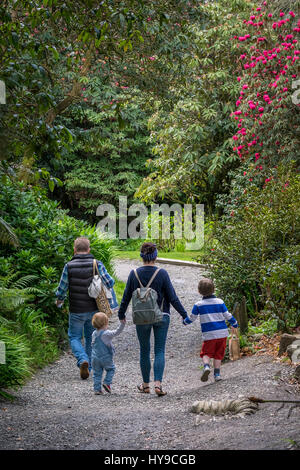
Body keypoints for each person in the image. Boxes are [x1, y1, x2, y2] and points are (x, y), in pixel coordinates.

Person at [118, 242, 189, 396]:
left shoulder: (134, 274)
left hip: (142, 317)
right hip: (162, 316)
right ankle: (158, 384)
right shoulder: (162, 273)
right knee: (159, 350)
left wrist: (121, 314)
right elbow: (173, 297)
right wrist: (184, 314)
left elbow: (126, 297)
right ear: (155, 256)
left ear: (141, 256)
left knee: (144, 350)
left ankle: (145, 385)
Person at [55, 237, 117, 380]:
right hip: (94, 309)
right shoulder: (97, 264)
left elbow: (62, 289)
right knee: (90, 338)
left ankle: (83, 359)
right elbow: (110, 282)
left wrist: (59, 301)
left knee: (74, 336)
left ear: (74, 250)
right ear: (89, 250)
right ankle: (87, 367)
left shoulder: (68, 266)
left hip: (76, 309)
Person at [183, 277, 238, 382]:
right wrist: (234, 323)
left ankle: (206, 366)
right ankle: (217, 375)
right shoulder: (220, 302)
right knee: (218, 354)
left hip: (209, 335)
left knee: (206, 353)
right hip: (222, 333)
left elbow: (192, 318)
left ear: (199, 291)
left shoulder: (198, 305)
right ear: (214, 289)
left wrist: (185, 322)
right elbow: (227, 315)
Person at [91, 312, 125, 395]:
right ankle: (107, 382)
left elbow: (92, 344)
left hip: (95, 357)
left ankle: (97, 389)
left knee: (97, 373)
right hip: (105, 357)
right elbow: (117, 332)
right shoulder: (106, 334)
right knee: (111, 369)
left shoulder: (94, 333)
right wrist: (122, 324)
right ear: (105, 323)